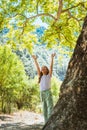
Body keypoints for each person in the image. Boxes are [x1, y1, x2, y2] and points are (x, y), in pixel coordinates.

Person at [32, 53, 56, 123]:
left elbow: (51, 67)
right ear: (42, 70)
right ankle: (46, 123)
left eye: (45, 68)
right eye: (42, 68)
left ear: (47, 70)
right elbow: (37, 67)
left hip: (48, 92)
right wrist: (35, 60)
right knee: (44, 108)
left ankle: (50, 121)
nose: (43, 69)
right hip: (42, 93)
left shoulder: (49, 75)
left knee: (50, 107)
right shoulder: (41, 76)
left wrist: (52, 58)